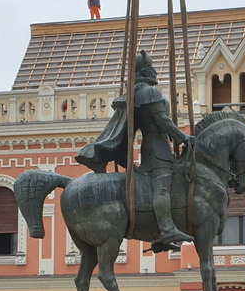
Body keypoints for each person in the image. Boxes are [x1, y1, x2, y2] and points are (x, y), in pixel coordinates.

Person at [75, 51, 195, 252]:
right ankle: (166, 229)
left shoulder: (137, 92)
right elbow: (163, 120)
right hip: (157, 147)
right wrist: (183, 137)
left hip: (154, 145)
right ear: (146, 71)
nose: (155, 72)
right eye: (152, 68)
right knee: (162, 187)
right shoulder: (149, 92)